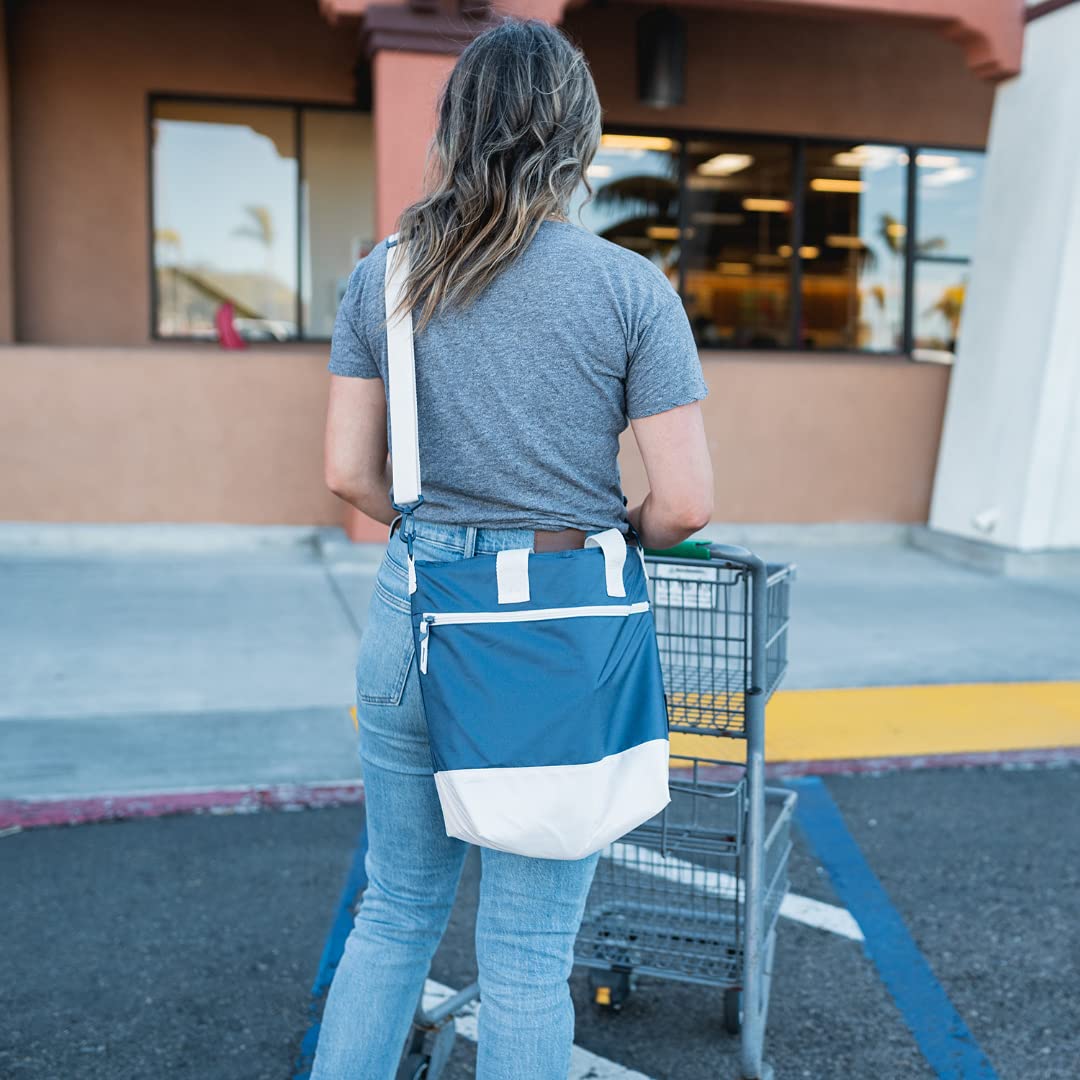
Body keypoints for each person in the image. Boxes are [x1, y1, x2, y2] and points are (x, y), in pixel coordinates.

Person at [314, 17, 713, 1080]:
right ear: (577, 137)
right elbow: (685, 502)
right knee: (530, 956)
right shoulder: (629, 288)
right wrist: (613, 534)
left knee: (396, 910)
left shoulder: (384, 278)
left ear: (456, 128)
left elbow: (348, 473)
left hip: (417, 610)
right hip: (558, 630)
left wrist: (441, 534)